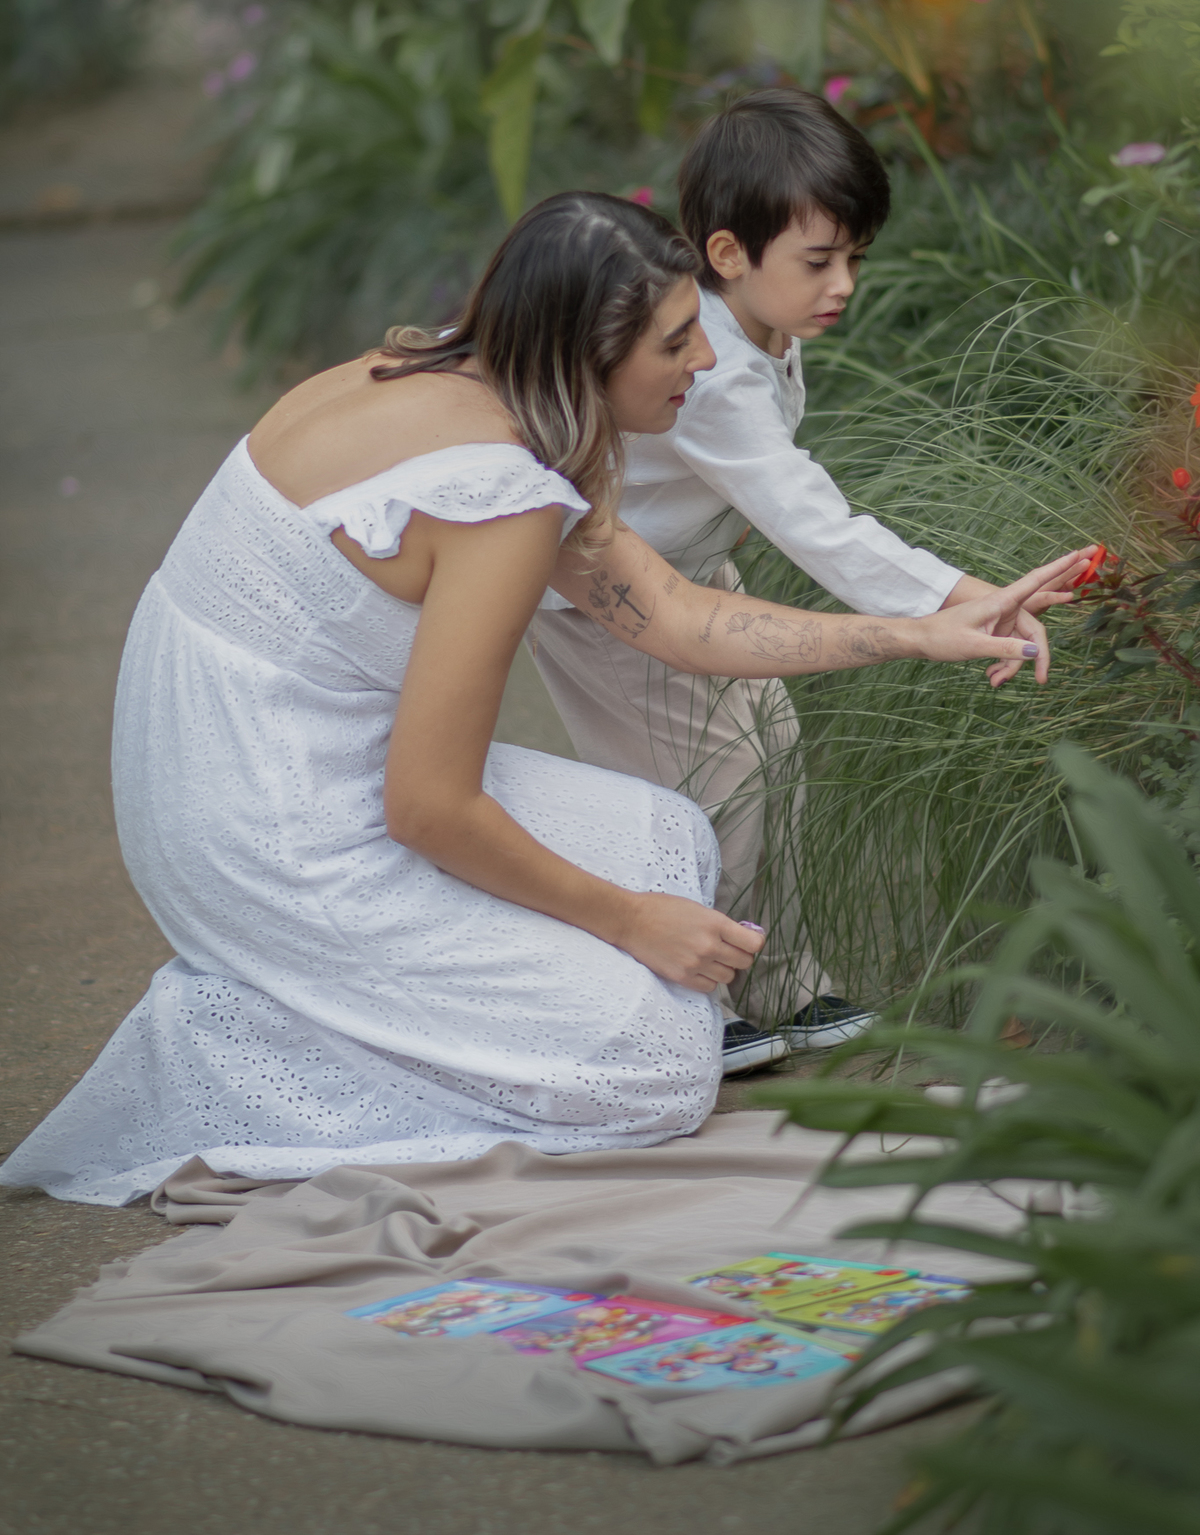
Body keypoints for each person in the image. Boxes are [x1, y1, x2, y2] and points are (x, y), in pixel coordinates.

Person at [0, 193, 1083, 1207]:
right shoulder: (496, 499)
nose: (706, 358)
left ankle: (383, 993)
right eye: (672, 343)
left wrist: (925, 632)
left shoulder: (427, 371)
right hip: (260, 830)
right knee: (659, 1068)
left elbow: (673, 615)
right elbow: (426, 807)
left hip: (224, 755)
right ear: (582, 354)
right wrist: (628, 924)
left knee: (671, 838)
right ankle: (247, 1028)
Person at [529, 90, 1040, 1073]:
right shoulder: (713, 372)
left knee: (775, 759)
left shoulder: (759, 328)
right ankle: (692, 1007)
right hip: (614, 604)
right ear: (728, 255)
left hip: (695, 575)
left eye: (855, 257)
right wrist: (955, 595)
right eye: (820, 261)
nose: (843, 283)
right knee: (708, 792)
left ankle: (781, 984)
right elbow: (810, 517)